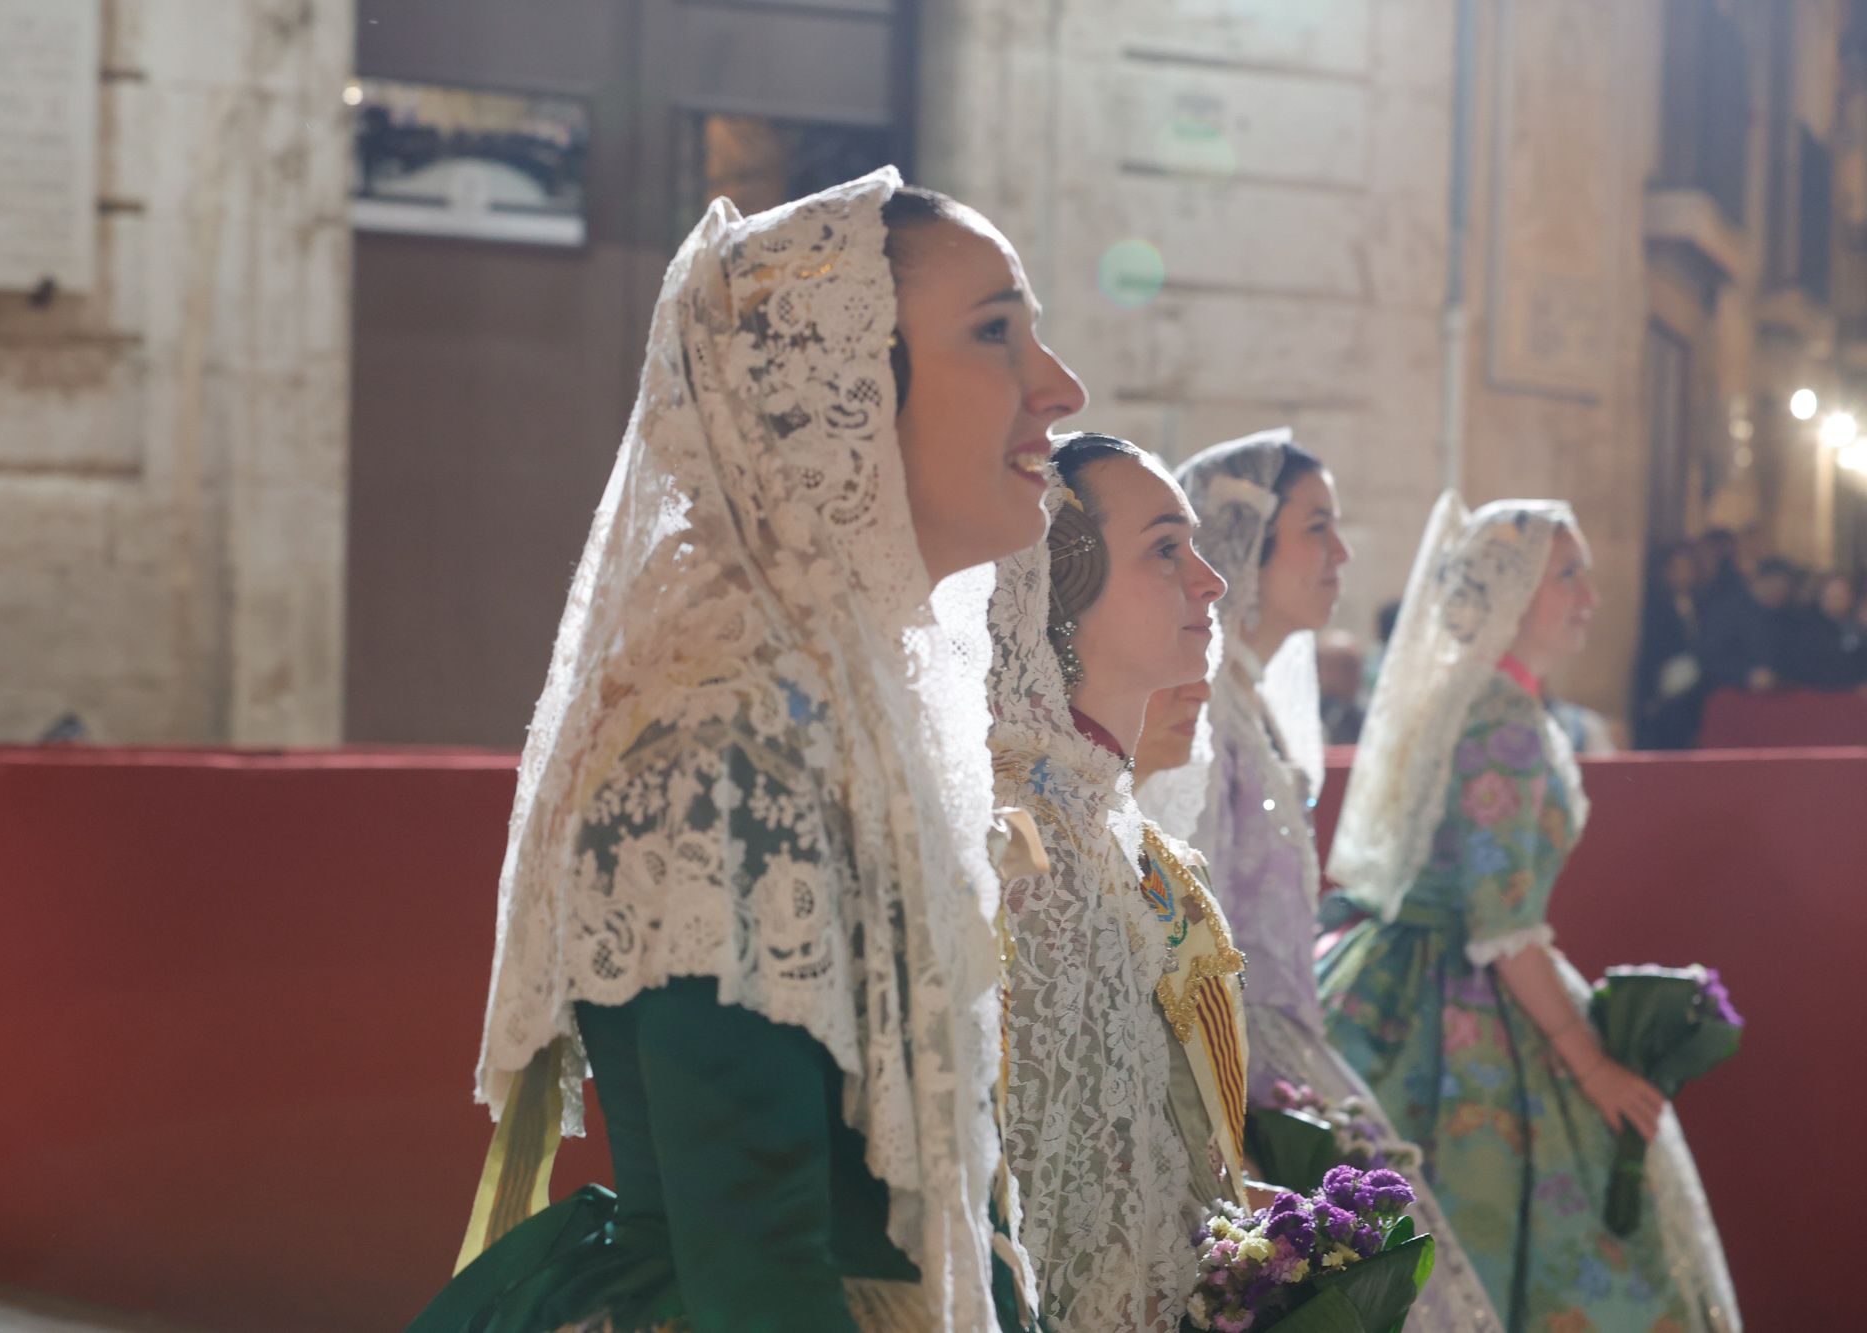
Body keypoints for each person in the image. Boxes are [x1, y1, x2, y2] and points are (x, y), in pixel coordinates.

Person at [409, 169, 1087, 1333]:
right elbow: (756, 1264)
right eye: (994, 333)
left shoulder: (849, 706)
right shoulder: (716, 745)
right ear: (829, 389)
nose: (1059, 388)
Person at [1317, 494, 1741, 1332]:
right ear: (1510, 593)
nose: (1590, 596)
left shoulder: (1485, 699)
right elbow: (1503, 928)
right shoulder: (1501, 719)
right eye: (1568, 575)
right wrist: (1592, 1066)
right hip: (1465, 994)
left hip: (1400, 976)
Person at [1135, 433, 1504, 1333]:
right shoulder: (1200, 715)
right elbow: (1178, 933)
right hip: (1241, 1068)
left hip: (1287, 1056)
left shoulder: (1243, 704)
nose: (1340, 553)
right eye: (1317, 528)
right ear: (1243, 545)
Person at [990, 433, 1248, 1332]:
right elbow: (1050, 1201)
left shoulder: (1103, 814)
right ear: (1063, 593)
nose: (1210, 581)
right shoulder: (1028, 837)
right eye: (1167, 548)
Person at [1633, 542, 1707, 748]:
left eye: (1688, 567)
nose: (1685, 574)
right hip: (1664, 692)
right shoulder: (1655, 605)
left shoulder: (1699, 602)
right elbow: (1651, 651)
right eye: (1679, 568)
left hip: (1691, 693)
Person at [1697, 555, 1793, 695]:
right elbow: (1710, 657)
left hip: (1776, 696)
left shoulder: (1785, 614)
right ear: (1761, 581)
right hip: (1732, 696)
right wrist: (1746, 674)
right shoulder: (1728, 611)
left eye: (1785, 588)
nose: (1781, 593)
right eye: (1777, 586)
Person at [1780, 571, 1865, 689]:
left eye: (1842, 595)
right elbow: (1812, 671)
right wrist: (1852, 685)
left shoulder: (1855, 626)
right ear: (1822, 597)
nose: (1838, 600)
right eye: (1833, 596)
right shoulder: (1808, 628)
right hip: (1823, 698)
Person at [1315, 628, 1366, 745]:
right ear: (1319, 670)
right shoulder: (1306, 718)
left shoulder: (1366, 717)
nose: (1354, 674)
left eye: (1357, 666)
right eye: (1347, 667)